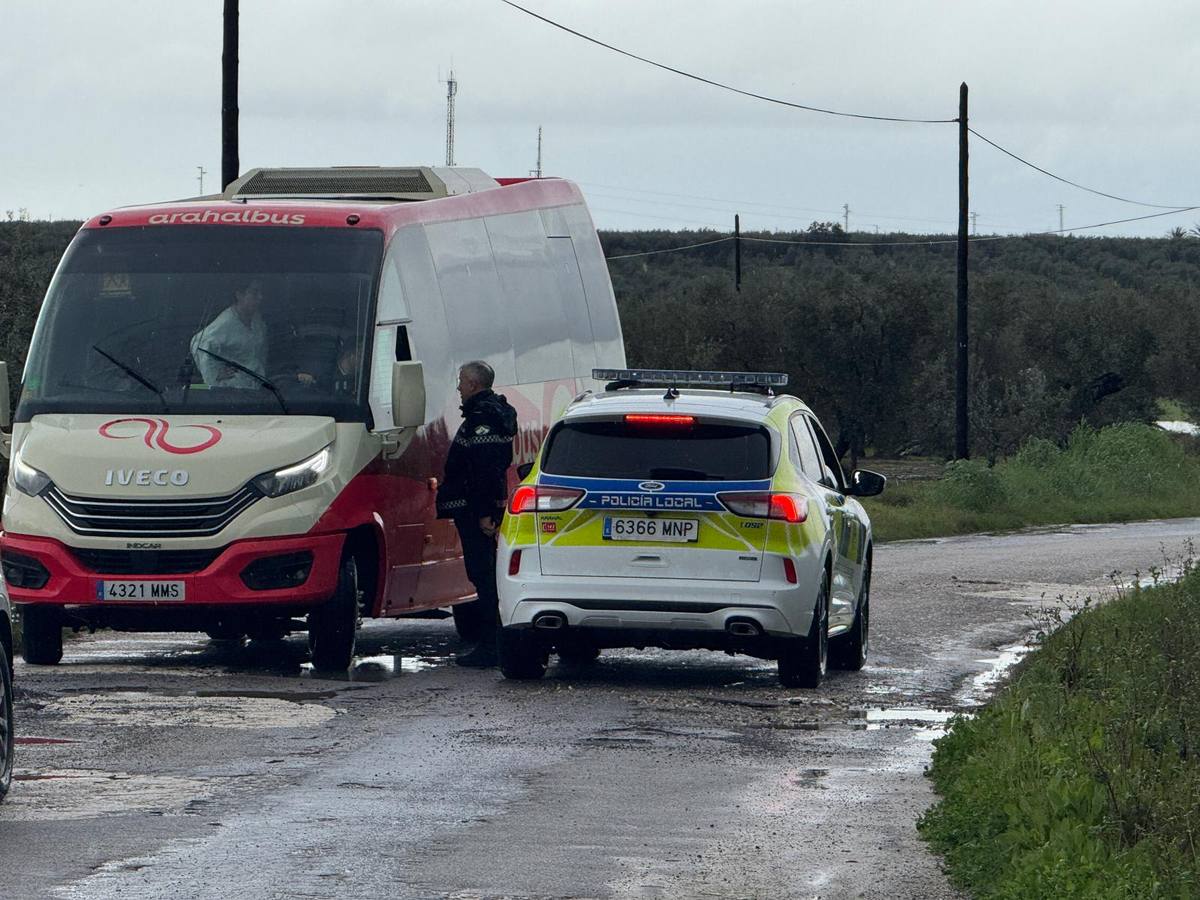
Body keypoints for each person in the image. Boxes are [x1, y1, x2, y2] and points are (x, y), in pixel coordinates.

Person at [436, 360, 518, 667]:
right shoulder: (489, 414)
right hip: (475, 508)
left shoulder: (482, 418)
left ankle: (490, 645)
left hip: (475, 510)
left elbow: (485, 471)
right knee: (483, 575)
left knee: (484, 577)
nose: (458, 387)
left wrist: (485, 513)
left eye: (461, 381)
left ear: (473, 384)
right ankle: (492, 642)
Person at [190, 278, 268, 388]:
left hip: (260, 389)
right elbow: (198, 343)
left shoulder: (256, 319)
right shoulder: (225, 323)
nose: (260, 297)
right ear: (239, 295)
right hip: (232, 391)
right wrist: (214, 374)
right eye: (255, 293)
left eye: (261, 293)